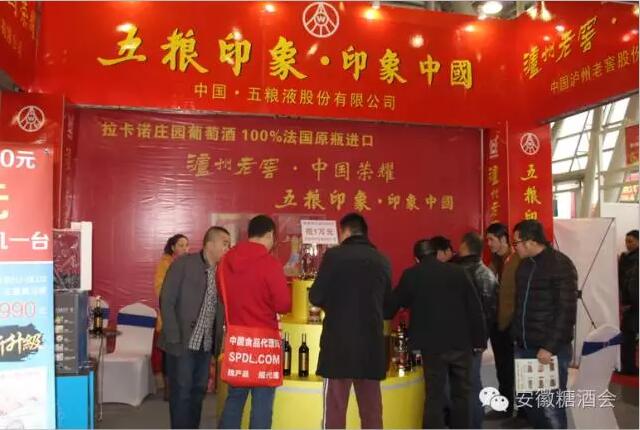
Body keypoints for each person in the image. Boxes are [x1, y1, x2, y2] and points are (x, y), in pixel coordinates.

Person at [387, 238, 486, 429]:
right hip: (461, 343)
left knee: (435, 395)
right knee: (462, 394)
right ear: (435, 253)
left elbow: (395, 304)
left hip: (432, 346)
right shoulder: (458, 272)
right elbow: (474, 307)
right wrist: (479, 340)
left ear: (417, 258)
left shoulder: (412, 274)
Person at [309, 213, 392, 429]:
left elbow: (316, 296)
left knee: (335, 412)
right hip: (371, 347)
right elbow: (388, 307)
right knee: (372, 412)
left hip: (338, 346)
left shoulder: (334, 256)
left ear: (344, 231)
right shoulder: (382, 260)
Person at [218, 215, 291, 429]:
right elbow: (283, 304)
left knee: (234, 399)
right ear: (270, 235)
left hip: (238, 342)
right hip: (264, 344)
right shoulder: (270, 263)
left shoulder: (225, 261)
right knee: (262, 403)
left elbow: (222, 295)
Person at [159, 227, 231, 429]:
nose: (228, 248)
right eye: (225, 243)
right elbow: (166, 300)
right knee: (181, 393)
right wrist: (173, 337)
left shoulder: (221, 272)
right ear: (210, 244)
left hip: (206, 345)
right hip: (182, 342)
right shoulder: (183, 264)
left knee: (198, 392)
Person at [511, 220, 578, 429]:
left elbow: (566, 311)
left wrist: (549, 346)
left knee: (550, 406)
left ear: (530, 241)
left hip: (549, 351)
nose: (514, 247)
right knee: (530, 403)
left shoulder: (560, 264)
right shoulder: (524, 265)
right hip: (525, 346)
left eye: (516, 243)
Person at [455, 231, 498, 429]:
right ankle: (476, 424)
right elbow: (492, 311)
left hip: (458, 340)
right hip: (479, 340)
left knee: (462, 386)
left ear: (464, 247)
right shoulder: (488, 274)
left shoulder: (456, 273)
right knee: (473, 382)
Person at [485, 222, 521, 419]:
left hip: (512, 323)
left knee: (516, 368)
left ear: (503, 239)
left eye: (492, 239)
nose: (489, 244)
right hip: (497, 323)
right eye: (487, 240)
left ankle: (522, 411)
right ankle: (505, 406)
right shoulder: (494, 262)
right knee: (503, 367)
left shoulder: (516, 261)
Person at [154, 234, 189, 401]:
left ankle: (181, 387)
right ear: (173, 247)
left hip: (186, 318)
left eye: (187, 245)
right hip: (169, 317)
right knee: (169, 354)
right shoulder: (165, 263)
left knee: (183, 354)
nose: (185, 248)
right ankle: (168, 389)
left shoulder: (190, 264)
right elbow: (160, 290)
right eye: (181, 245)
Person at [619, 229, 639, 375]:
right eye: (626, 241)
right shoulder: (625, 258)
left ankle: (629, 367)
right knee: (628, 336)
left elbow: (632, 284)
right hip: (629, 303)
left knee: (629, 336)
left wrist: (630, 303)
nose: (628, 244)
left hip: (633, 303)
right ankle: (628, 367)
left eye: (631, 241)